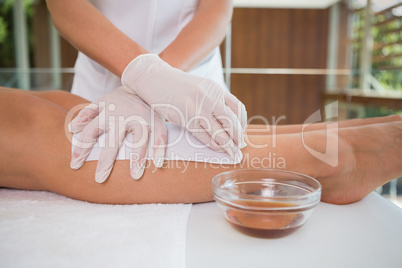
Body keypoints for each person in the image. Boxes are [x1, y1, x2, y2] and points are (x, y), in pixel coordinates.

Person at [1, 86, 401, 205]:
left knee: (65, 106)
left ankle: (327, 143)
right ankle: (338, 159)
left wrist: (148, 80)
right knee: (65, 131)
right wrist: (140, 80)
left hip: (174, 76)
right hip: (126, 66)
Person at [45, 0, 247, 182]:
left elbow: (216, 7)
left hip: (190, 82)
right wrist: (144, 76)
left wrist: (157, 79)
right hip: (101, 78)